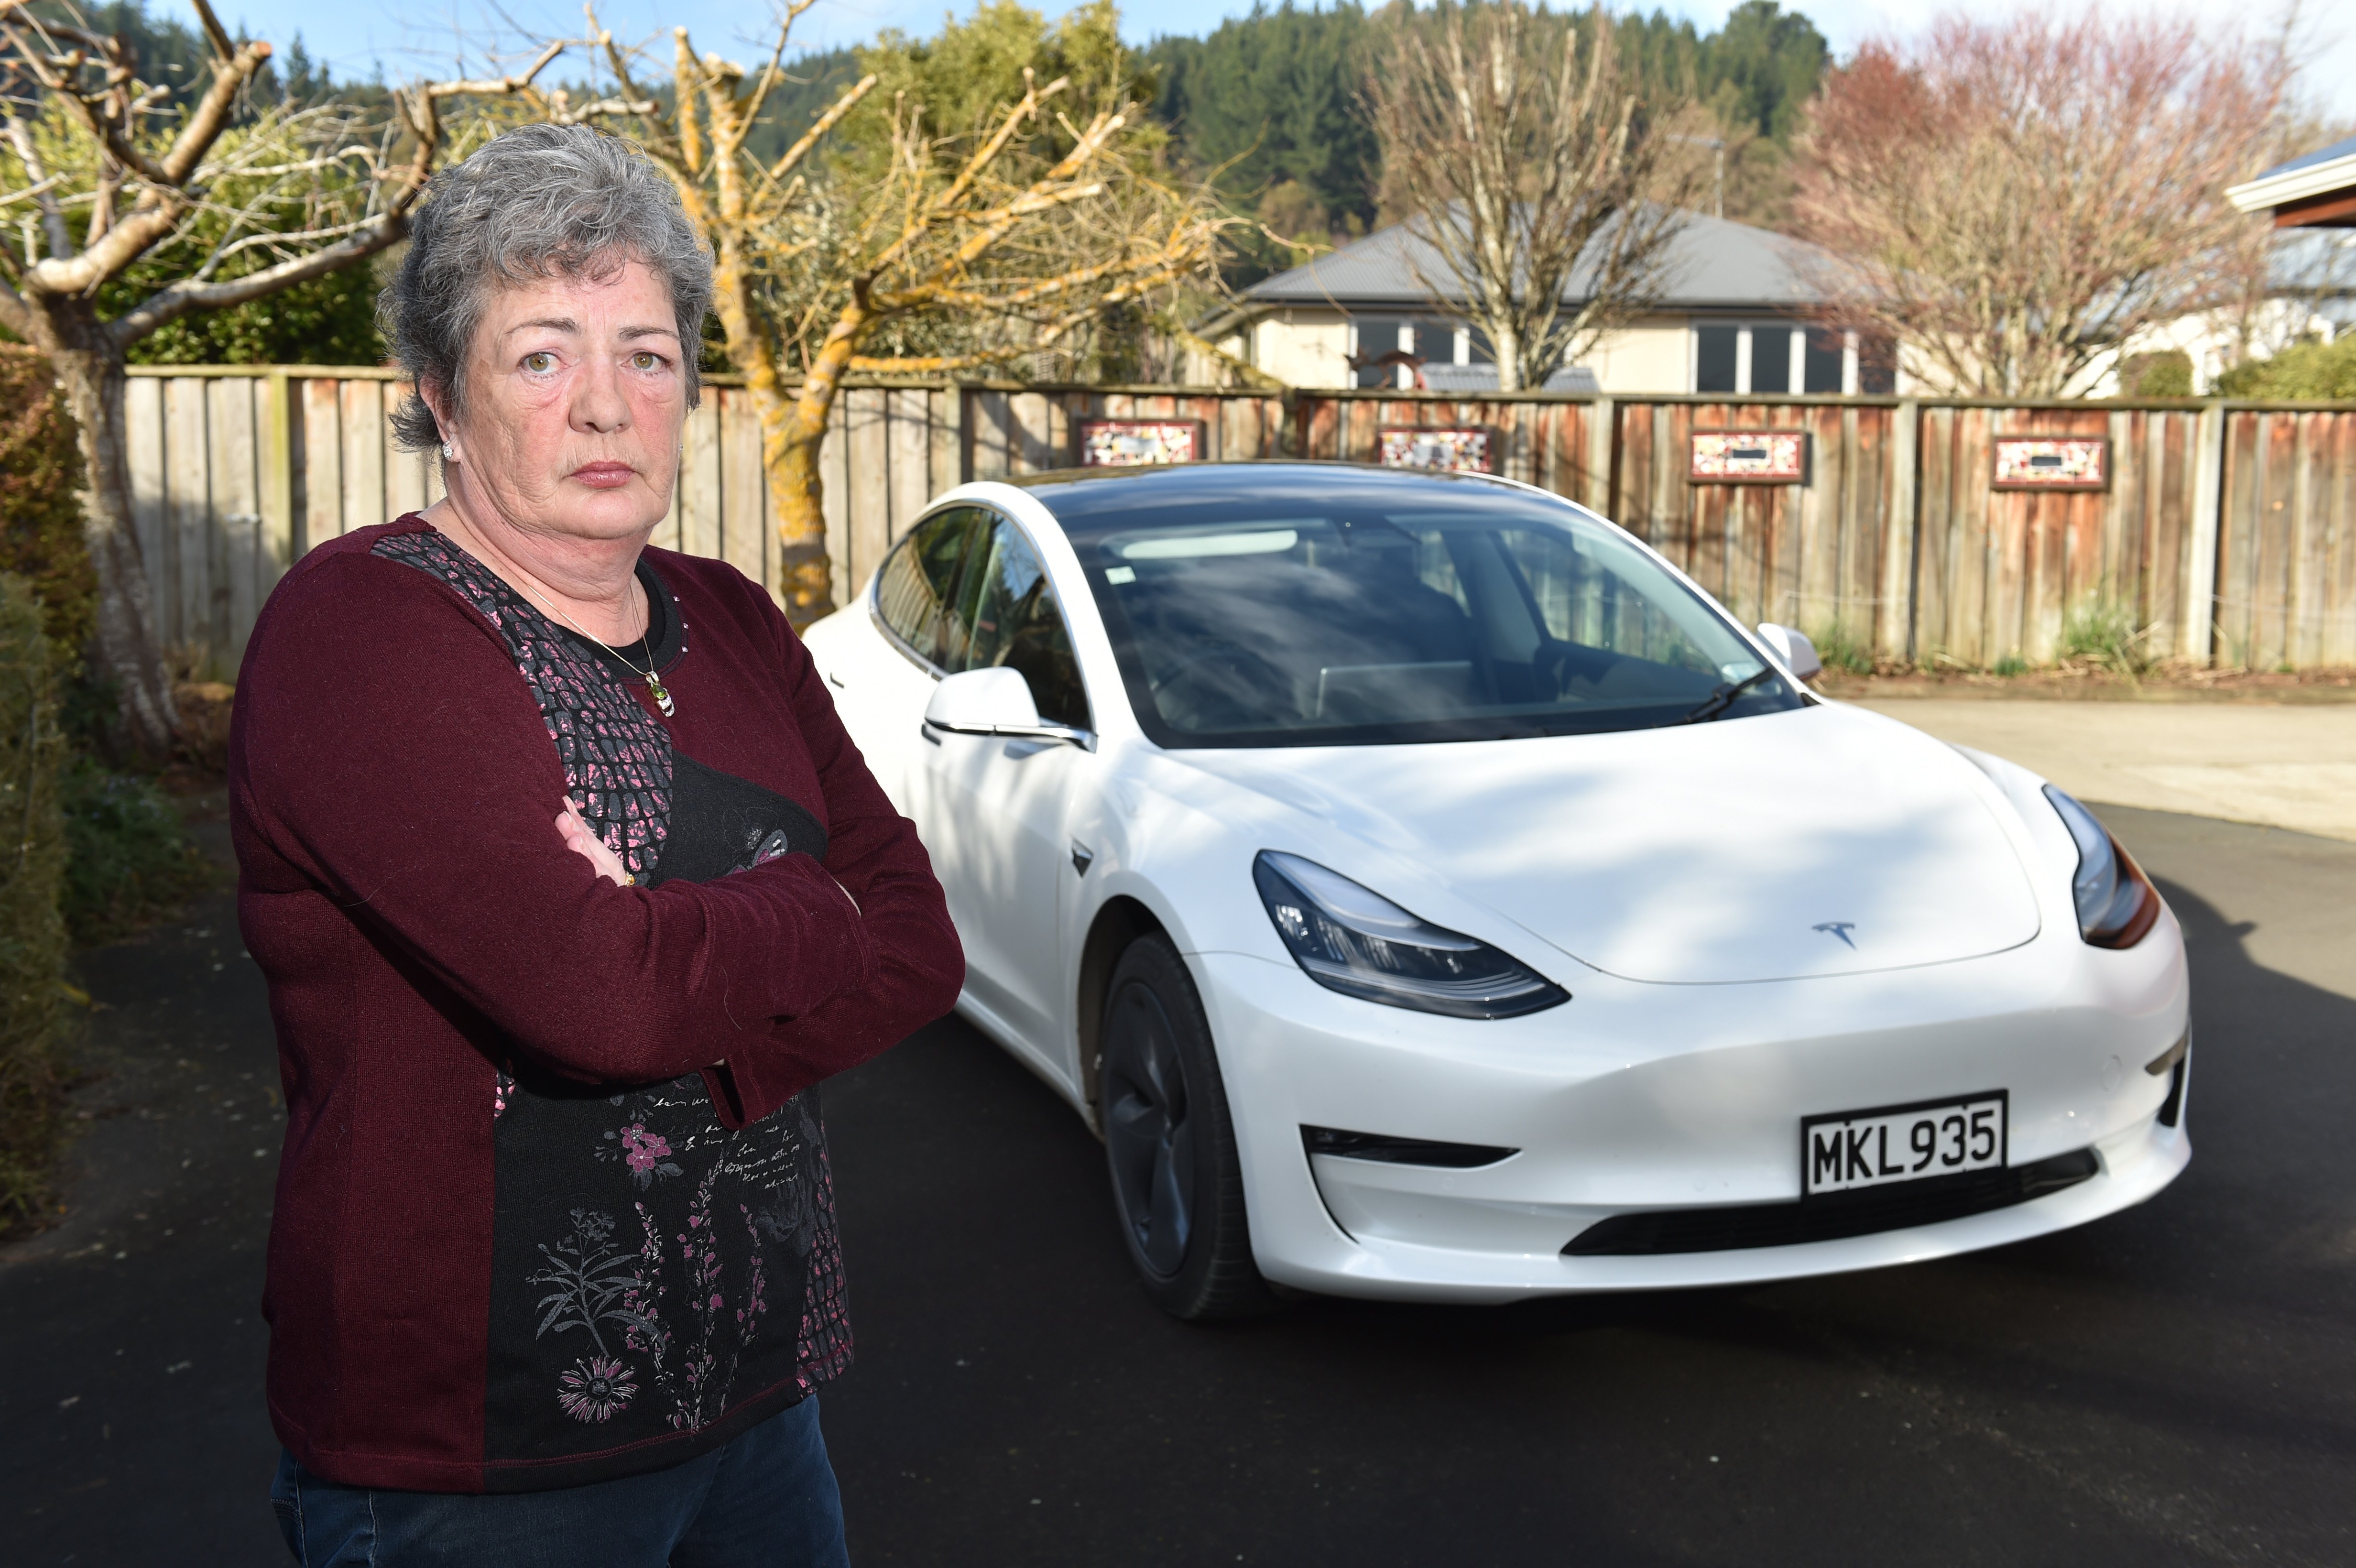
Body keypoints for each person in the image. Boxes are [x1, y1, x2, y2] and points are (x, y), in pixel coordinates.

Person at [231, 123, 963, 1566]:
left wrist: (681, 954)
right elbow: (603, 998)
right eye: (543, 355)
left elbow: (921, 946)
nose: (606, 407)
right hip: (478, 1461)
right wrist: (803, 913)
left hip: (759, 1403)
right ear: (444, 399)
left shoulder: (738, 618)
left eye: (648, 352)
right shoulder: (363, 632)